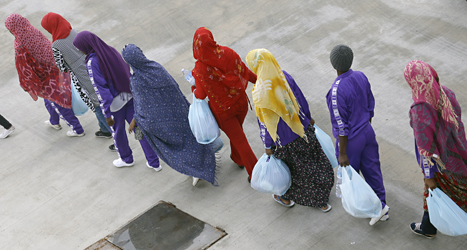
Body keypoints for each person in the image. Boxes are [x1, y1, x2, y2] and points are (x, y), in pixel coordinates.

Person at [246, 48, 333, 211]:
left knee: (291, 172)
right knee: (313, 165)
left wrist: (268, 144)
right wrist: (308, 118)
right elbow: (300, 100)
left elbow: (264, 122)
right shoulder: (284, 76)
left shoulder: (259, 92)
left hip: (284, 142)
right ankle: (322, 201)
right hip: (303, 131)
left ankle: (284, 197)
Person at [122, 44, 220, 186]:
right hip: (179, 111)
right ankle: (204, 163)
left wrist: (135, 121)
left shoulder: (136, 81)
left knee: (178, 148)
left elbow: (141, 106)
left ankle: (195, 170)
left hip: (162, 123)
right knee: (190, 139)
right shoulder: (156, 68)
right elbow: (173, 87)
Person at [73, 31, 159, 169]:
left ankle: (126, 159)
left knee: (118, 132)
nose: (78, 50)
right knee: (139, 128)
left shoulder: (92, 62)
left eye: (79, 47)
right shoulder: (110, 50)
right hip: (128, 95)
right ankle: (153, 161)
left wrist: (107, 114)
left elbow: (101, 90)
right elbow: (126, 71)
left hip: (115, 103)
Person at [326, 44, 389, 225]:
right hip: (367, 131)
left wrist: (343, 152)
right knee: (373, 169)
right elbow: (370, 102)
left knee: (351, 178)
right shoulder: (360, 76)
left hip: (351, 141)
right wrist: (366, 125)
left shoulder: (336, 90)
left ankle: (365, 207)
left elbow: (341, 124)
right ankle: (381, 206)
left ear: (333, 65)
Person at [404, 60, 467, 239]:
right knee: (433, 196)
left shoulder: (420, 109)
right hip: (458, 151)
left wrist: (428, 175)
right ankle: (428, 227)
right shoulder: (445, 92)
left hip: (441, 164)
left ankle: (428, 227)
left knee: (437, 192)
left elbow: (425, 148)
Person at [191, 27, 258, 181]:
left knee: (240, 140)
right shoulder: (227, 53)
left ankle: (255, 173)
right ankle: (238, 158)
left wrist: (193, 87)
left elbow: (200, 95)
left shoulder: (199, 69)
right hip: (241, 102)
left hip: (224, 111)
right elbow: (244, 71)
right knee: (238, 134)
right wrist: (261, 80)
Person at [5, 13, 85, 137]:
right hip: (55, 67)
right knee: (50, 100)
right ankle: (54, 122)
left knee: (58, 101)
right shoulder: (33, 30)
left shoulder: (19, 44)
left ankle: (77, 129)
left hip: (44, 77)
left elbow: (23, 66)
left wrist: (27, 84)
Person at [41, 12, 113, 143]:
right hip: (94, 66)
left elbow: (62, 68)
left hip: (81, 77)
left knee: (95, 103)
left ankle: (107, 130)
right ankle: (107, 124)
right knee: (103, 94)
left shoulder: (56, 46)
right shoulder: (75, 32)